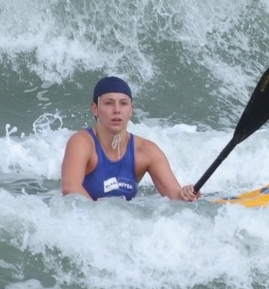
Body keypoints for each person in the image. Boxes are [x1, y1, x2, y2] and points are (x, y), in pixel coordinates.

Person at [60, 76, 200, 202]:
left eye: (123, 103)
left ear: (131, 109)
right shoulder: (81, 143)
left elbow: (176, 199)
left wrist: (186, 195)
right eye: (109, 103)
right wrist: (101, 219)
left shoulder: (146, 151)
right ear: (95, 108)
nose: (117, 110)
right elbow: (70, 189)